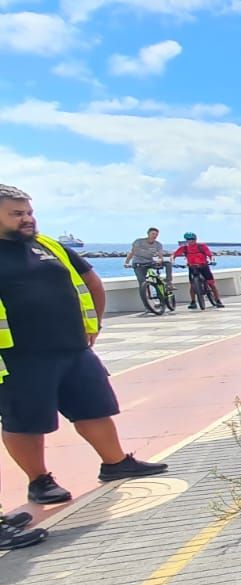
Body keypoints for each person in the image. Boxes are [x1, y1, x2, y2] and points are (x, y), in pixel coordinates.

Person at [0, 185, 168, 549]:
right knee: (25, 422)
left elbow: (89, 281)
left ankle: (115, 462)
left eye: (29, 211)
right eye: (17, 213)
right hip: (20, 358)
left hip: (73, 348)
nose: (27, 218)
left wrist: (94, 324)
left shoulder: (48, 246)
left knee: (95, 407)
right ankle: (40, 480)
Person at [173, 232, 222, 309]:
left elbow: (210, 255)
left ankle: (218, 300)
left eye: (192, 239)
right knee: (192, 285)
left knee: (211, 284)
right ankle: (193, 302)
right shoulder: (184, 248)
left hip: (204, 266)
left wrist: (212, 260)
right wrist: (173, 262)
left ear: (195, 239)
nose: (191, 241)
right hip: (192, 268)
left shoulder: (201, 246)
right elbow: (174, 255)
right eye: (188, 239)